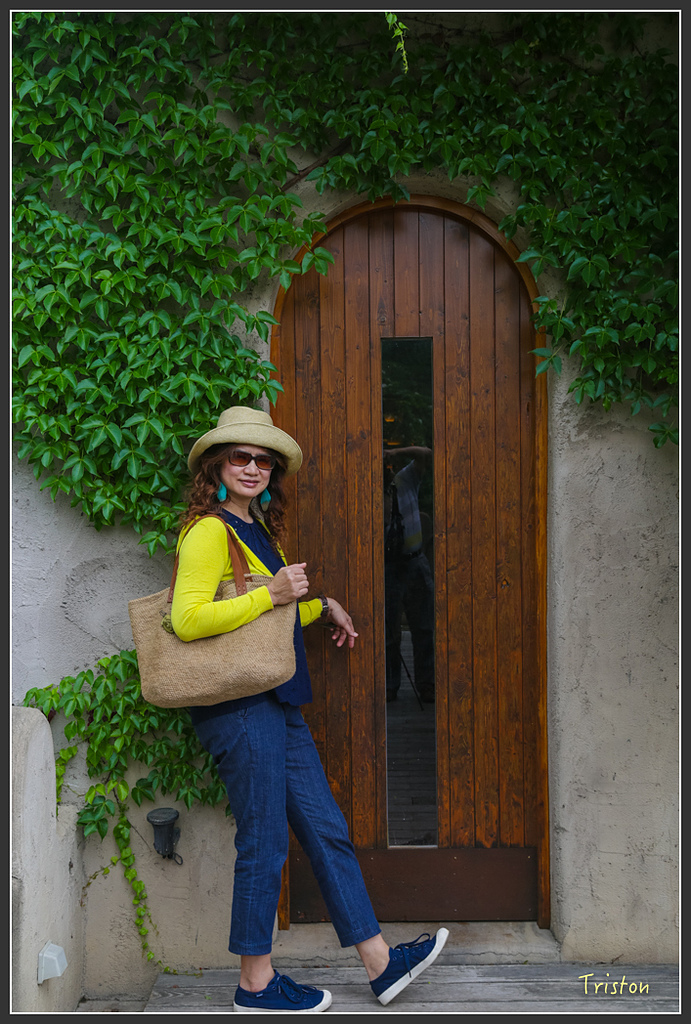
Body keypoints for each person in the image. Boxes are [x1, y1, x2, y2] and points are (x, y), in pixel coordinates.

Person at [171, 406, 449, 1013]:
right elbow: (186, 620)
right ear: (216, 465)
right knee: (265, 842)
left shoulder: (255, 530)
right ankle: (255, 985)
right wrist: (273, 593)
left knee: (326, 829)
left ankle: (380, 965)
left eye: (263, 460)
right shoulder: (208, 531)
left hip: (276, 700)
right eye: (240, 457)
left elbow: (262, 625)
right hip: (239, 708)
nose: (253, 467)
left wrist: (320, 607)